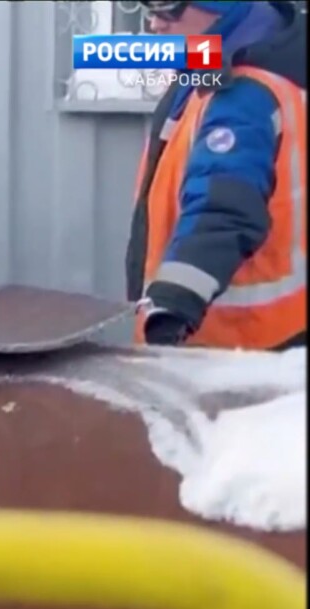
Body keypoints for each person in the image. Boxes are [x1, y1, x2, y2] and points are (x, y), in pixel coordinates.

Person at [128, 0, 306, 350]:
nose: (155, 25)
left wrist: (173, 305)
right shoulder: (231, 59)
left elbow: (223, 210)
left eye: (168, 7)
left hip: (233, 348)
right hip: (270, 333)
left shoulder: (244, 93)